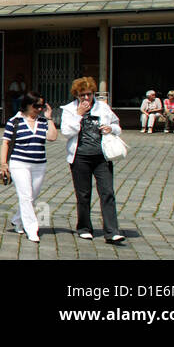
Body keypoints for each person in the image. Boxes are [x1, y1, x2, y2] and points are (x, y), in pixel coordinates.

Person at [60, 77, 125, 244]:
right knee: (83, 194)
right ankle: (84, 227)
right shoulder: (69, 110)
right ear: (76, 95)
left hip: (101, 157)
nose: (86, 98)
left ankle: (112, 231)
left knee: (107, 192)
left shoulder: (103, 107)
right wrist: (78, 116)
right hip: (80, 157)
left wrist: (111, 128)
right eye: (82, 95)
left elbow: (118, 126)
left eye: (89, 94)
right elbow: (66, 132)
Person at [0, 90, 58, 243]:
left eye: (42, 106)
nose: (39, 109)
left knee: (32, 197)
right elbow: (6, 143)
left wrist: (49, 118)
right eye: (36, 106)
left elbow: (52, 137)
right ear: (27, 105)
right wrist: (4, 163)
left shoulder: (43, 121)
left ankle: (17, 220)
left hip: (39, 164)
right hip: (19, 163)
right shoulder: (14, 121)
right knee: (26, 196)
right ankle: (32, 229)